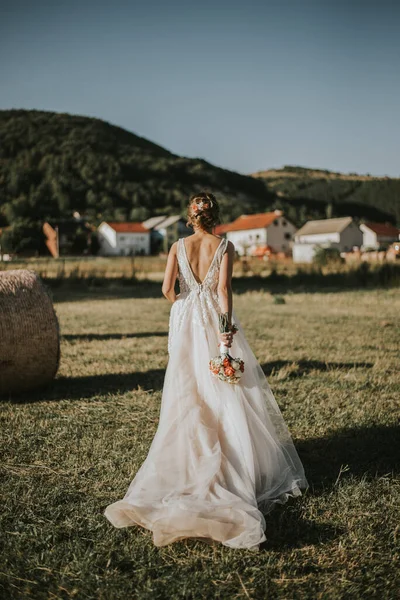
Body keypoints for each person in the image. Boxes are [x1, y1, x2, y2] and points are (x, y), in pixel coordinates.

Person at [104, 192, 308, 550]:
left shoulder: (177, 247)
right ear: (215, 217)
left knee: (189, 388)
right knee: (224, 387)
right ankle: (232, 458)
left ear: (190, 217)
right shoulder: (225, 246)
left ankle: (192, 456)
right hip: (213, 318)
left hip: (185, 320)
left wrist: (185, 301)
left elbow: (167, 289)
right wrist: (224, 329)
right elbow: (224, 288)